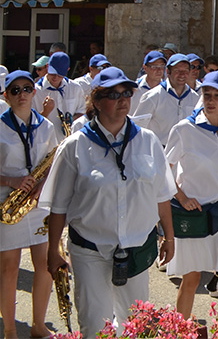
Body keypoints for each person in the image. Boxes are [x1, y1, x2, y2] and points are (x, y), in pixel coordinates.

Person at [41, 66, 176, 338]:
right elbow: (59, 206)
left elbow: (161, 195)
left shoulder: (147, 141)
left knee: (137, 325)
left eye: (127, 93)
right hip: (90, 248)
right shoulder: (75, 145)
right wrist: (53, 250)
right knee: (94, 324)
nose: (123, 99)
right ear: (97, 101)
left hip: (136, 248)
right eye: (114, 94)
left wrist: (169, 238)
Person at [165, 70, 218, 318]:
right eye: (206, 94)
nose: (210, 100)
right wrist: (181, 197)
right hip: (196, 213)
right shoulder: (183, 130)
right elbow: (164, 171)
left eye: (217, 96)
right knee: (192, 278)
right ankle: (179, 332)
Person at [0, 70, 57, 338]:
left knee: (44, 265)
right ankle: (10, 329)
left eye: (27, 88)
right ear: (6, 96)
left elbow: (52, 163)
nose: (22, 94)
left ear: (34, 92)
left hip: (37, 203)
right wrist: (11, 181)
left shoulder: (45, 126)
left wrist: (40, 187)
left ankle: (38, 324)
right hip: (7, 205)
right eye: (15, 90)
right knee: (9, 268)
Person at [133, 54, 199, 143]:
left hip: (185, 152)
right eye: (177, 71)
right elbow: (138, 128)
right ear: (168, 72)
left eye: (186, 71)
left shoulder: (195, 98)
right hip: (158, 151)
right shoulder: (153, 96)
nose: (182, 75)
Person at [32, 52, 82, 138]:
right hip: (46, 143)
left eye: (60, 74)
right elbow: (31, 123)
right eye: (52, 73)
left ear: (68, 70)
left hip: (69, 141)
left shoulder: (75, 88)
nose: (55, 77)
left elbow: (82, 113)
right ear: (47, 66)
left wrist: (71, 120)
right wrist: (45, 112)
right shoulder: (35, 91)